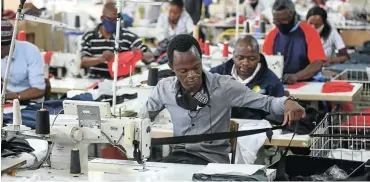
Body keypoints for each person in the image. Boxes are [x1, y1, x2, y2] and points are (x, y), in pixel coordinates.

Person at [140, 34, 305, 165]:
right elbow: (141, 120)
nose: (192, 75)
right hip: (178, 159)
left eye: (196, 68)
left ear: (201, 60)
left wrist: (286, 103)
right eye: (183, 71)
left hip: (212, 163)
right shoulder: (164, 89)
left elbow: (267, 103)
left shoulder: (224, 87)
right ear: (171, 68)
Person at [210, 35, 285, 119]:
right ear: (233, 55)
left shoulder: (271, 82)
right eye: (240, 58)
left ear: (258, 57)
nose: (245, 63)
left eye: (252, 59)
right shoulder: (216, 75)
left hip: (256, 130)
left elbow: (279, 113)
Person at [80, 2, 154, 79]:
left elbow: (150, 57)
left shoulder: (128, 36)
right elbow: (83, 62)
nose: (115, 22)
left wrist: (139, 54)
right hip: (95, 81)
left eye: (117, 19)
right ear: (102, 18)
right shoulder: (90, 36)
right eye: (111, 19)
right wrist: (102, 59)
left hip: (120, 82)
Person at [263, 0, 327, 84]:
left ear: (293, 16)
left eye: (284, 20)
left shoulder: (309, 32)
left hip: (308, 83)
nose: (280, 24)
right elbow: (266, 63)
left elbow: (317, 64)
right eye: (277, 21)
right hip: (281, 84)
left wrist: (296, 76)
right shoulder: (271, 35)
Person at [1, 19, 45, 104]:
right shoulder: (2, 56)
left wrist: (7, 96)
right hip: (7, 103)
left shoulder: (30, 51)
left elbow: (39, 89)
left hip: (30, 104)